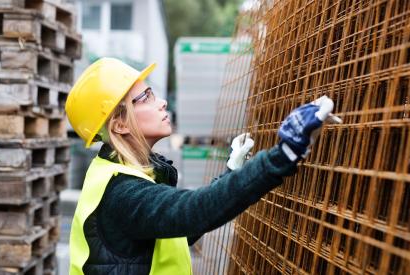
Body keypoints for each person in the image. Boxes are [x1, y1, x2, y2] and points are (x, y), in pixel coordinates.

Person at [65, 58, 336, 275]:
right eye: (145, 97)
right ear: (120, 125)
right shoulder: (121, 192)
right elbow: (191, 211)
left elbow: (179, 231)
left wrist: (232, 170)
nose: (162, 102)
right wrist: (283, 154)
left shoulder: (120, 173)